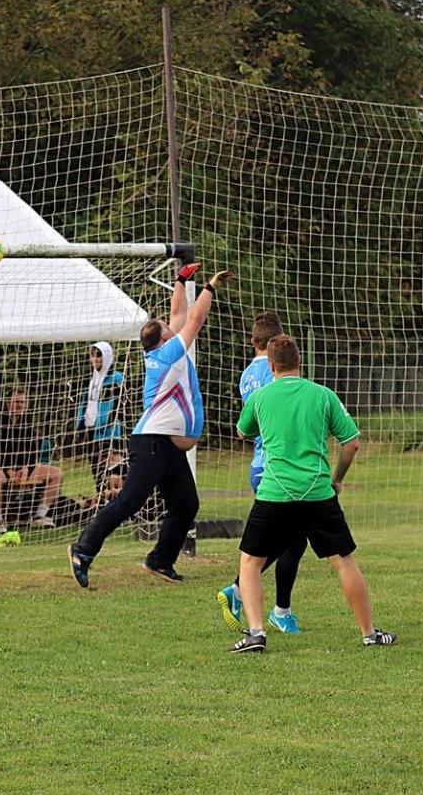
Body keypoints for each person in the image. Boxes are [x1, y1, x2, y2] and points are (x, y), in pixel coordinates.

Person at [229, 334, 396, 653]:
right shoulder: (323, 395)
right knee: (343, 562)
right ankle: (369, 634)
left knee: (250, 562)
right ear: (300, 362)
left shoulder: (261, 397)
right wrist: (337, 479)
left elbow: (242, 431)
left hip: (274, 493)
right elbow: (352, 443)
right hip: (318, 492)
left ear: (271, 365)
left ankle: (256, 633)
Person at [68, 262, 230, 587]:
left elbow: (178, 314)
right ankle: (82, 550)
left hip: (167, 447)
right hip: (152, 443)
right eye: (168, 328)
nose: (173, 326)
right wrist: (210, 287)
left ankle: (159, 561)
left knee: (186, 504)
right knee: (129, 501)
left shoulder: (164, 349)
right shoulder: (168, 354)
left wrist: (181, 281)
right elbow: (194, 320)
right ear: (165, 338)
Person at [218, 312, 309, 634]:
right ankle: (268, 605)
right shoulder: (276, 373)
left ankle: (268, 604)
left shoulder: (246, 376)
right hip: (279, 465)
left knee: (288, 539)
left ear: (252, 341)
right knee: (291, 540)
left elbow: (248, 425)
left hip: (258, 463)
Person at [0, 388, 63, 532]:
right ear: (8, 403)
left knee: (56, 473)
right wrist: (9, 470)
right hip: (0, 468)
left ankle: (39, 516)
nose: (20, 405)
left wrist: (26, 468)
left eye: (23, 402)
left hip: (22, 469)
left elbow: (33, 452)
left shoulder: (27, 424)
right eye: (17, 402)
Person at [73, 341, 125, 496]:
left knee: (113, 471)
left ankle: (118, 501)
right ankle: (102, 502)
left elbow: (121, 405)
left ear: (108, 357)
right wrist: (80, 426)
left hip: (109, 433)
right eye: (93, 356)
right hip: (91, 432)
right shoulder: (91, 379)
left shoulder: (116, 378)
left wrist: (109, 421)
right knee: (97, 472)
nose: (96, 359)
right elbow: (85, 404)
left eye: (99, 356)